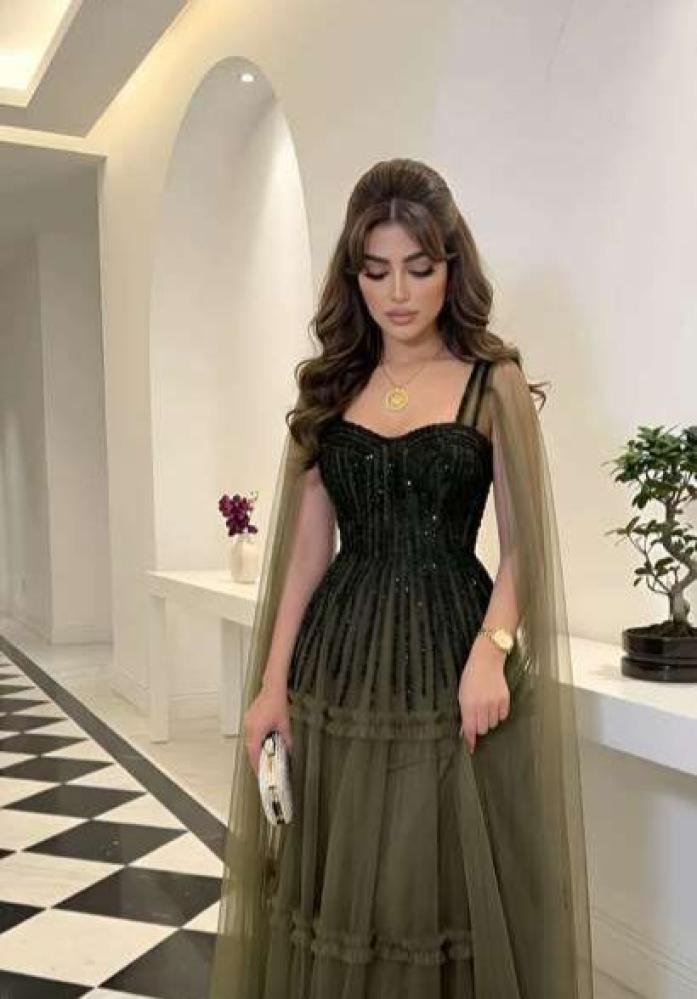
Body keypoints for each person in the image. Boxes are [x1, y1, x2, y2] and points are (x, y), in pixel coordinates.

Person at [209, 158, 594, 998]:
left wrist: (493, 648)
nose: (398, 292)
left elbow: (524, 543)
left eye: (418, 268)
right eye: (376, 270)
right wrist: (271, 685)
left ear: (451, 265)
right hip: (339, 664)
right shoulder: (332, 385)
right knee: (345, 885)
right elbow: (306, 555)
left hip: (451, 658)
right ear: (353, 276)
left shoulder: (493, 382)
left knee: (432, 883)